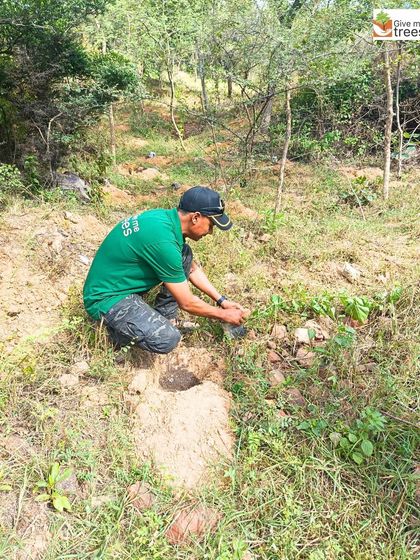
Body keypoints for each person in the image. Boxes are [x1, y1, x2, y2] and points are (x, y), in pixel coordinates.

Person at [83, 186, 246, 354]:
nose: (211, 232)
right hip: (106, 299)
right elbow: (187, 303)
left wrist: (222, 301)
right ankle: (112, 335)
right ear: (196, 217)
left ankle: (165, 318)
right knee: (167, 338)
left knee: (185, 254)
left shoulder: (165, 220)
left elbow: (191, 269)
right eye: (211, 225)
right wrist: (224, 315)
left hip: (118, 285)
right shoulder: (163, 243)